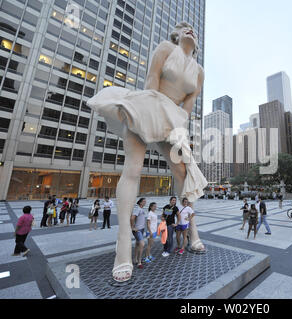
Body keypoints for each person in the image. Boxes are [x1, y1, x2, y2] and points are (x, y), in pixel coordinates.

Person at [87, 22, 207, 282]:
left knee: (183, 171)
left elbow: (189, 104)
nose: (189, 30)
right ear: (175, 35)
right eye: (183, 28)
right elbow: (152, 78)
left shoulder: (199, 71)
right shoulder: (165, 48)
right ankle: (122, 248)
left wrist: (176, 128)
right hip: (147, 104)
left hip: (172, 118)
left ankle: (194, 233)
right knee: (134, 168)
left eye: (192, 29)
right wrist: (150, 116)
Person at [131, 198, 147, 270]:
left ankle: (135, 259)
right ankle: (139, 262)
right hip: (137, 230)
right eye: (143, 201)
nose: (145, 202)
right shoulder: (137, 209)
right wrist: (133, 227)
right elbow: (132, 218)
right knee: (142, 244)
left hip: (141, 229)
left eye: (145, 201)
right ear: (140, 202)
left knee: (138, 244)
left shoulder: (141, 209)